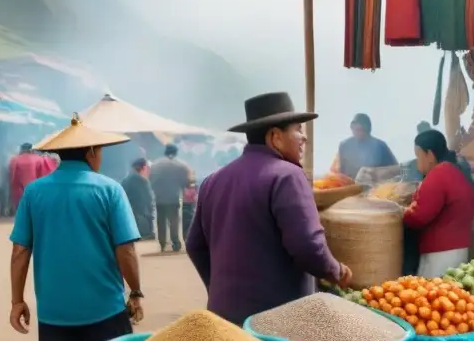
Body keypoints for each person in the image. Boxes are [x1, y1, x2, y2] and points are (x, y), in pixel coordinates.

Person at [187, 92, 352, 325]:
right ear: (275, 136)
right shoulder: (288, 175)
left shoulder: (213, 180)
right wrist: (336, 270)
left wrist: (218, 289)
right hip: (278, 322)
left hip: (224, 320)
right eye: (298, 130)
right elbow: (308, 247)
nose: (304, 138)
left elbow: (195, 246)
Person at [9, 115, 145, 341]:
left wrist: (17, 301)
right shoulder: (110, 189)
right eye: (100, 151)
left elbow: (20, 251)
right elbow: (125, 250)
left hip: (54, 311)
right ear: (92, 151)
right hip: (106, 307)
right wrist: (135, 291)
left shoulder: (34, 192)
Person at [403, 130, 474, 278]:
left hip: (439, 254)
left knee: (432, 297)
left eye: (418, 156)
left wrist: (403, 212)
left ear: (429, 154)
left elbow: (419, 216)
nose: (417, 164)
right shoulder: (456, 169)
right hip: (458, 249)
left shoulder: (439, 174)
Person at [149, 143, 193, 253]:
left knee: (161, 220)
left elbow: (151, 180)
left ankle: (162, 242)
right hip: (173, 197)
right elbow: (186, 182)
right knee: (173, 220)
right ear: (175, 152)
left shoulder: (155, 164)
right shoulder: (180, 165)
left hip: (159, 197)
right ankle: (175, 242)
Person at [332, 113, 397, 181]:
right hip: (351, 187)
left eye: (363, 130)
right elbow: (340, 172)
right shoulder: (344, 146)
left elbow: (395, 169)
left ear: (369, 130)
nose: (360, 133)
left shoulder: (380, 146)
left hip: (375, 186)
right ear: (352, 128)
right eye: (358, 130)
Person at [8, 143, 52, 212]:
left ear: (22, 149)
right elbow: (44, 174)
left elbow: (12, 176)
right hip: (36, 189)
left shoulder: (15, 160)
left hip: (20, 190)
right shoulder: (40, 159)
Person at [121, 158, 155, 239]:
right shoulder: (141, 180)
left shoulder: (126, 179)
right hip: (141, 215)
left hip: (130, 211)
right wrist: (150, 210)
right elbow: (147, 198)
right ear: (143, 167)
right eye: (147, 167)